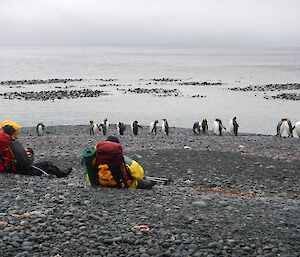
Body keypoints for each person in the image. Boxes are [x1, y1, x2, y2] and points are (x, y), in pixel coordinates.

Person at [0, 120, 71, 177]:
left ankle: (59, 173)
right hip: (19, 169)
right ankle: (61, 175)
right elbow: (25, 163)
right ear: (12, 132)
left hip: (9, 167)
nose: (18, 132)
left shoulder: (4, 142)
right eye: (16, 131)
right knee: (48, 165)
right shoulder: (14, 144)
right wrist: (30, 155)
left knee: (47, 164)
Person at [82, 136, 156, 189]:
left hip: (101, 183)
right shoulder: (124, 160)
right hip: (121, 184)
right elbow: (139, 174)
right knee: (139, 182)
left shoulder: (95, 157)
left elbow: (89, 173)